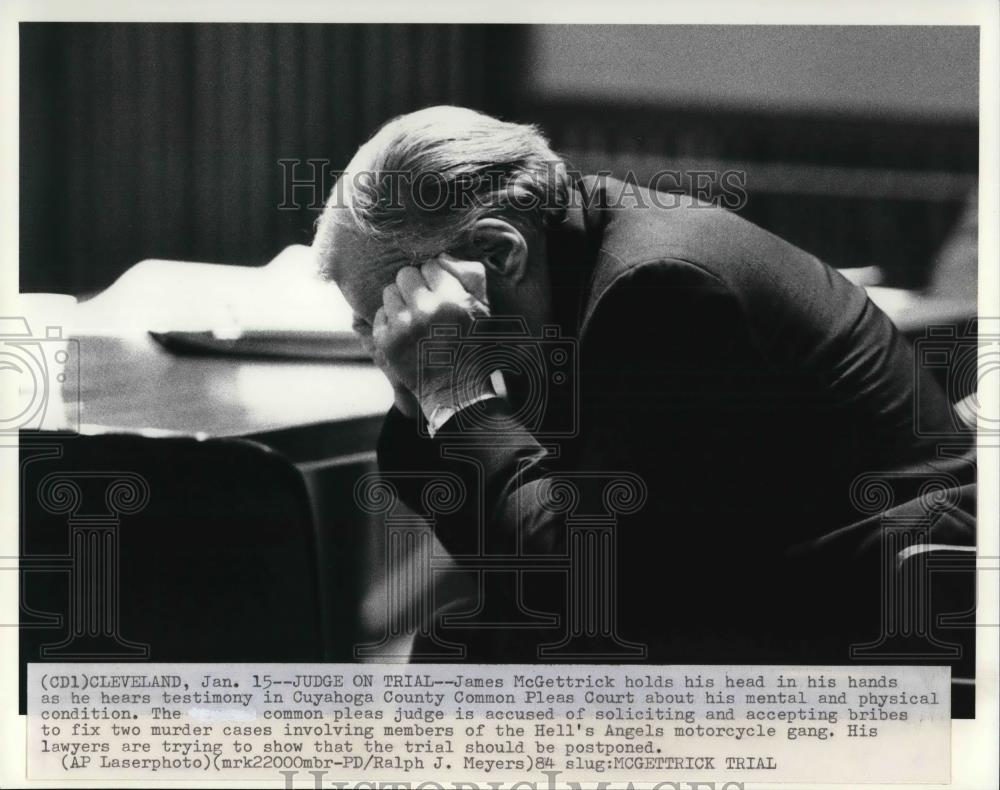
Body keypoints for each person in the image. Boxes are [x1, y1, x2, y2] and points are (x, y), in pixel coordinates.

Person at [313, 105, 968, 663]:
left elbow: (585, 580)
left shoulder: (657, 287)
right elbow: (515, 557)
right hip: (780, 567)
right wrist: (417, 388)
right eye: (376, 325)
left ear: (498, 251)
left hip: (887, 599)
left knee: (472, 652)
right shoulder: (572, 259)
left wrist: (450, 391)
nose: (391, 337)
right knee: (472, 642)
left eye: (396, 309)